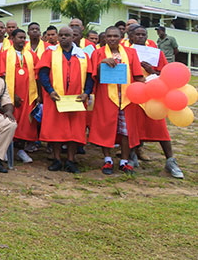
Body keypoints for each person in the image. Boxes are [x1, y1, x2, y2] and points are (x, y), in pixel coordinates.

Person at [35, 26, 93, 173]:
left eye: (67, 35)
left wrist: (86, 93)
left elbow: (89, 76)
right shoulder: (50, 53)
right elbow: (43, 73)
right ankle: (56, 159)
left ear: (73, 37)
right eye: (61, 35)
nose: (63, 37)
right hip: (56, 98)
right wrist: (50, 91)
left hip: (77, 99)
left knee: (75, 130)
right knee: (55, 129)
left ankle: (71, 160)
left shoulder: (82, 55)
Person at [89, 26, 145, 175]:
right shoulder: (98, 53)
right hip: (107, 97)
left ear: (121, 37)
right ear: (105, 38)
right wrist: (102, 63)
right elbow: (94, 75)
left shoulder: (131, 53)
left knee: (126, 130)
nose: (112, 39)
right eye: (109, 36)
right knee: (106, 128)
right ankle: (107, 160)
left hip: (127, 97)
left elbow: (137, 74)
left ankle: (124, 161)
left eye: (115, 36)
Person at [130, 26, 183, 178]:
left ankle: (170, 160)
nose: (140, 37)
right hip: (135, 94)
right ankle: (132, 156)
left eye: (143, 34)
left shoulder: (156, 53)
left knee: (160, 129)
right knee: (134, 126)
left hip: (155, 94)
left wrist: (151, 71)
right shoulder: (126, 51)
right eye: (137, 34)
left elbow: (167, 74)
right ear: (131, 36)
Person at [0, 29, 40, 164]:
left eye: (24, 38)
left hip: (28, 95)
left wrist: (38, 95)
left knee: (25, 124)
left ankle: (21, 151)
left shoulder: (31, 55)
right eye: (19, 37)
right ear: (12, 38)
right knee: (9, 121)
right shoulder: (4, 55)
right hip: (9, 96)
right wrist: (11, 94)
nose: (22, 40)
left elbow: (37, 76)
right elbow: (0, 76)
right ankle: (6, 150)